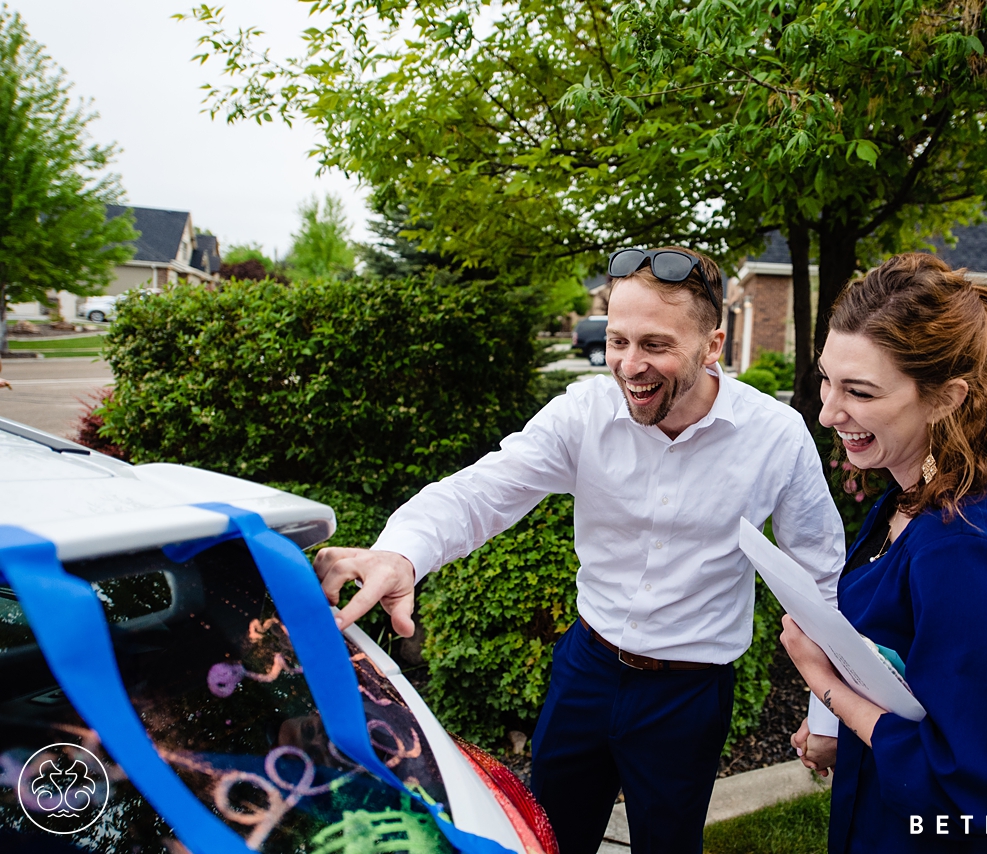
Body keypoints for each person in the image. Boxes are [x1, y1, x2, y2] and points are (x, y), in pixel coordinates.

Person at [314, 246, 845, 854]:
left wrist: (826, 711)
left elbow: (820, 572)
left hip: (689, 695)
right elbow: (483, 491)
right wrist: (400, 553)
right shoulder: (584, 413)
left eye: (655, 345)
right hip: (585, 671)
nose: (629, 365)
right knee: (548, 840)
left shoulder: (776, 436)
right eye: (618, 341)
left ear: (713, 346)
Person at [780, 253, 987, 853]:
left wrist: (824, 683)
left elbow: (964, 783)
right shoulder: (916, 491)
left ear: (947, 397)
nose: (829, 411)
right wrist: (843, 726)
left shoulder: (966, 550)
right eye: (827, 378)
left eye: (860, 391)